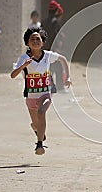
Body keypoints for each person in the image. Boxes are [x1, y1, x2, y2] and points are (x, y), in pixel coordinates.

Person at [11, 27, 71, 155]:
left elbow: (63, 59)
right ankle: (37, 130)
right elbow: (13, 75)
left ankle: (39, 145)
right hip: (31, 96)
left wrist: (68, 77)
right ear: (27, 43)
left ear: (43, 42)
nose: (35, 41)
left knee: (41, 112)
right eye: (32, 39)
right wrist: (23, 66)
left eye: (38, 39)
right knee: (36, 123)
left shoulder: (48, 55)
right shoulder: (23, 58)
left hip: (46, 92)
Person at [40, 0, 65, 91]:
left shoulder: (43, 22)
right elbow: (57, 36)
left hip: (45, 49)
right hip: (54, 49)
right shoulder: (55, 23)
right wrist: (58, 48)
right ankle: (60, 87)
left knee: (47, 69)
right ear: (56, 11)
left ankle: (48, 87)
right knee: (58, 68)